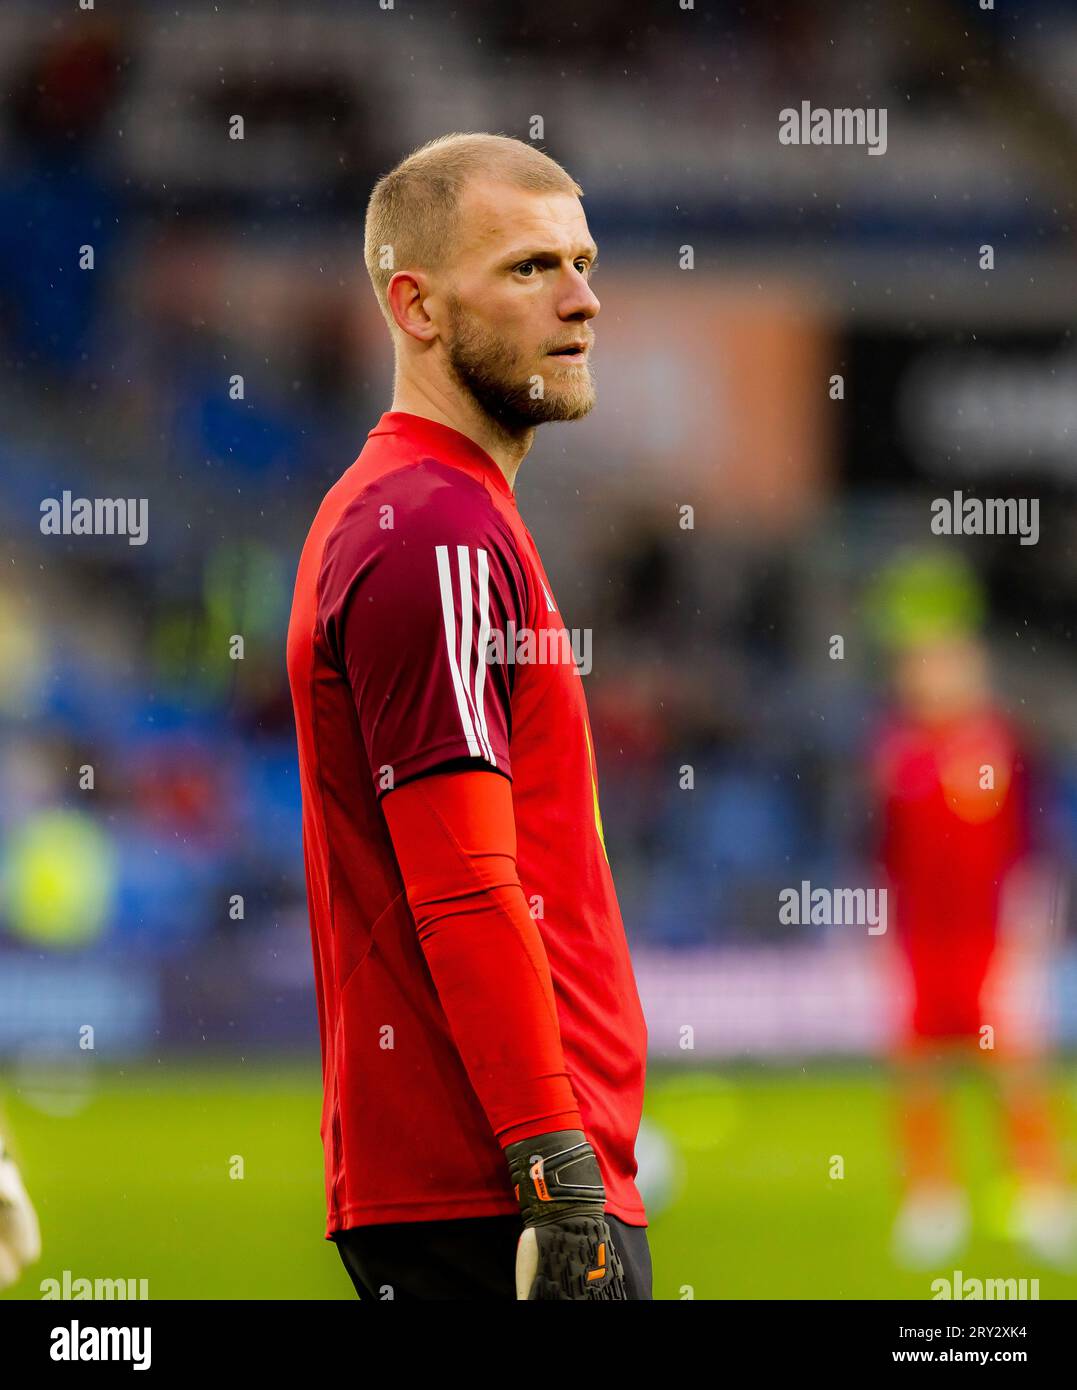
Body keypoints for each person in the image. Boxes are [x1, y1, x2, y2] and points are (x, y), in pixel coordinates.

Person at [286, 133, 651, 1300]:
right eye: (531, 268)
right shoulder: (432, 527)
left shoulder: (439, 512)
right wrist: (558, 1168)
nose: (584, 300)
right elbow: (460, 883)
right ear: (417, 306)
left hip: (479, 1183)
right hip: (494, 1190)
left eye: (584, 262)